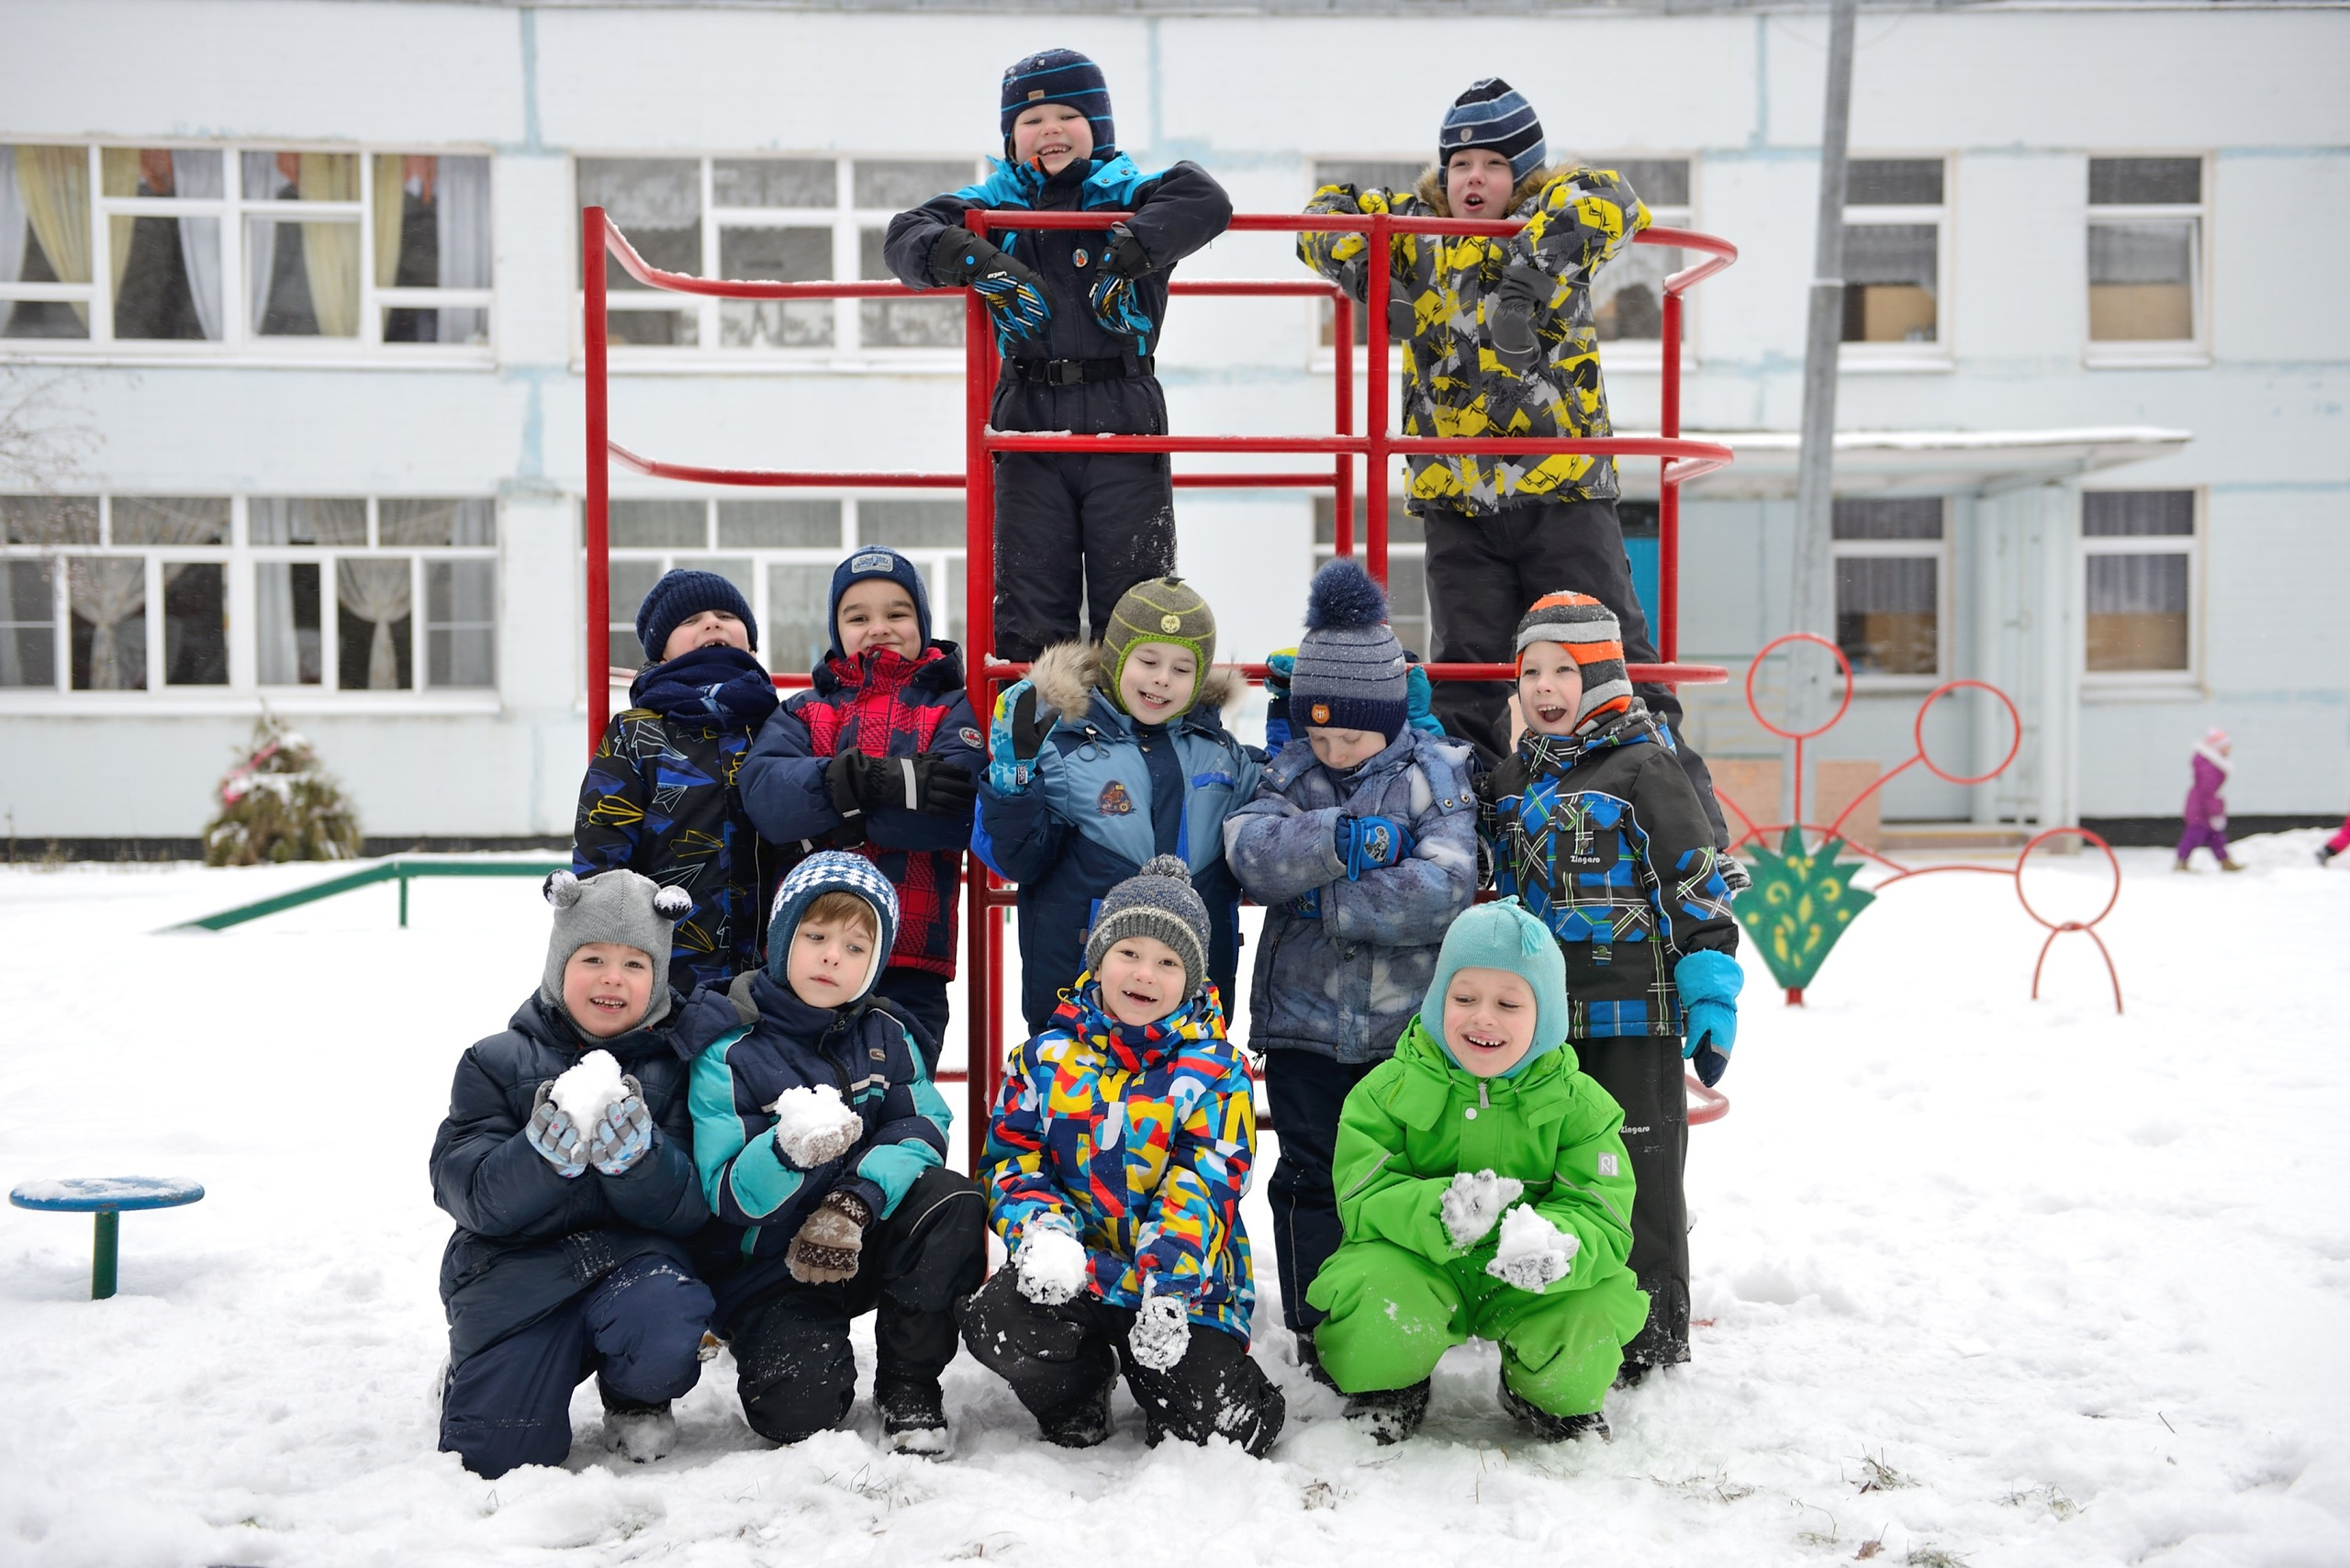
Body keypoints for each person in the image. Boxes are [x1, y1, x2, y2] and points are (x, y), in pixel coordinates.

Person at [1295, 77, 1732, 863]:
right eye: (1460, 163)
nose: (1473, 180)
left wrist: (1527, 285)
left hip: (1560, 491)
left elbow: (1614, 198)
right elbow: (1320, 220)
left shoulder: (1555, 226)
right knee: (1469, 671)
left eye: (1494, 164)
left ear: (1521, 176)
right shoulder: (1420, 242)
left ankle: (1690, 841)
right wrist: (1377, 271)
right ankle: (1470, 842)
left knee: (1613, 661)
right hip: (1459, 503)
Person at [882, 47, 1233, 660]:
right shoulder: (993, 204)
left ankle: (1134, 737)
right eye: (1031, 122)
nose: (1051, 131)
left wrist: (1129, 251)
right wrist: (981, 261)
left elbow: (1206, 200)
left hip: (1123, 408)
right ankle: (1032, 734)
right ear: (1012, 139)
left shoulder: (1130, 192)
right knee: (1028, 595)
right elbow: (904, 235)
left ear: (1098, 127)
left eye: (1069, 116)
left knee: (1136, 597)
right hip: (1025, 413)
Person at [1223, 558, 1480, 1378]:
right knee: (1308, 1175)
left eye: (1350, 736)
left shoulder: (1433, 773)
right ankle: (1313, 1321)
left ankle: (1404, 1316)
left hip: (1401, 1031)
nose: (1332, 750)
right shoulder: (1294, 770)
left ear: (1388, 719)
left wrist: (1323, 903)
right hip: (1301, 1028)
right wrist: (1335, 841)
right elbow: (1248, 853)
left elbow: (1445, 885)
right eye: (1319, 732)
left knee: (1397, 1175)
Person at [1479, 590, 1742, 1381]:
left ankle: (1653, 1337)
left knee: (1640, 1170)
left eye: (1566, 670)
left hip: (1635, 1013)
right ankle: (1561, 1321)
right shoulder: (1511, 778)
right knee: (1560, 1172)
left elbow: (1692, 878)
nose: (1546, 688)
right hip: (1545, 1021)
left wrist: (1710, 990)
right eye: (1532, 672)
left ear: (1602, 677)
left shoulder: (1644, 766)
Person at [958, 857, 1285, 1454]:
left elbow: (1205, 1183)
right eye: (1128, 953)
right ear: (1099, 958)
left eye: (1167, 962)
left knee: (1221, 1435)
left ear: (1191, 979)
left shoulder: (1216, 1072)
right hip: (1077, 1275)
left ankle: (1189, 1384)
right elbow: (1013, 1162)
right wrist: (1048, 1237)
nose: (1144, 974)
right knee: (997, 1322)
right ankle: (1078, 1391)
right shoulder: (1044, 1060)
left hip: (1179, 1288)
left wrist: (1166, 1283)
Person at [672, 852, 985, 1456]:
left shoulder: (888, 1032)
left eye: (855, 947)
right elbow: (726, 1192)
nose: (832, 957)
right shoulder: (729, 1042)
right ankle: (781, 1347)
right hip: (767, 1267)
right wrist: (789, 1150)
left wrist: (855, 1201)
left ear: (875, 963)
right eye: (815, 936)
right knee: (799, 1414)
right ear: (783, 937)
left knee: (952, 1199)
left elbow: (923, 1125)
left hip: (858, 1240)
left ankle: (909, 1383)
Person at [1307, 899, 1650, 1444]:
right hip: (1422, 1265)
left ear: (1546, 1017)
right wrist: (1437, 1212)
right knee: (1373, 1286)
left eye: (1509, 1003)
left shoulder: (1583, 1106)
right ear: (1439, 1000)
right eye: (1464, 998)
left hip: (1527, 1282)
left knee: (1593, 1304)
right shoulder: (1385, 1091)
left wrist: (1556, 1246)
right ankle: (1388, 1386)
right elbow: (1362, 1193)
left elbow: (1603, 1212)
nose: (1483, 1017)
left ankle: (1546, 1396)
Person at [431, 869, 716, 1478]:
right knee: (498, 1459)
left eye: (635, 965)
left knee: (667, 1311)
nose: (613, 978)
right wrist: (538, 1158)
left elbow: (695, 1206)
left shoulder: (686, 1070)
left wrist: (640, 1162)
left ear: (658, 978)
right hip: (519, 1283)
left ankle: (636, 1395)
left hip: (631, 1270)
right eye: (593, 958)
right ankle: (473, 1377)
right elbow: (466, 1190)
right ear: (559, 964)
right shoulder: (493, 1062)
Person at [974, 577, 1261, 1035]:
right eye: (1148, 660)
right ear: (1115, 659)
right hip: (1080, 997)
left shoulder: (1223, 755)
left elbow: (1278, 814)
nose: (1162, 678)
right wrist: (1014, 775)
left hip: (1195, 1001)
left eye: (1183, 668)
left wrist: (1294, 722)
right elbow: (1016, 859)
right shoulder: (1062, 750)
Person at [738, 547, 983, 1062]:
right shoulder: (803, 711)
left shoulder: (953, 708)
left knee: (900, 1100)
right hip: (804, 954)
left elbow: (952, 813)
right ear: (836, 628)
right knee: (798, 1104)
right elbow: (767, 800)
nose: (879, 627)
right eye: (858, 616)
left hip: (909, 958)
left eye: (897, 613)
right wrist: (876, 781)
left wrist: (839, 799)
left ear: (922, 622)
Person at [574, 569, 779, 992]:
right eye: (690, 621)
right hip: (666, 967)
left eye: (726, 614)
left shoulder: (782, 726)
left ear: (752, 644)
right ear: (662, 655)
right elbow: (603, 852)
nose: (711, 622)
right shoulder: (638, 733)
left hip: (776, 969)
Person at [2177, 728, 2243, 872]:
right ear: (2217, 747)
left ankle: (2225, 861)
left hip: (2201, 805)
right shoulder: (2210, 766)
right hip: (2200, 808)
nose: (2229, 749)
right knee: (2195, 835)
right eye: (2226, 746)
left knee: (2215, 836)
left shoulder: (2211, 764)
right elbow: (2207, 791)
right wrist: (2214, 812)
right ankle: (2181, 861)